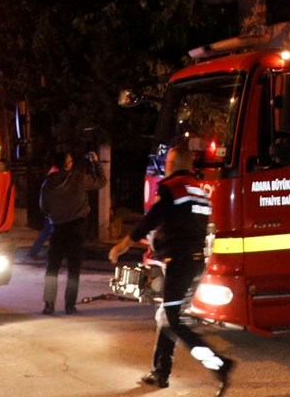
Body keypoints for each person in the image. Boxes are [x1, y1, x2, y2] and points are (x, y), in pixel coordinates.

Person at [109, 142, 234, 395]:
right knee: (168, 316)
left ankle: (219, 363)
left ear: (171, 165)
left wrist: (122, 246)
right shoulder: (199, 190)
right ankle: (160, 372)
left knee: (175, 321)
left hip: (180, 262)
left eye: (166, 163)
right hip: (196, 261)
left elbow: (149, 220)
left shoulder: (173, 189)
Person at [40, 150, 107, 315]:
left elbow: (43, 208)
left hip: (57, 229)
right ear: (66, 165)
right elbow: (101, 181)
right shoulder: (78, 179)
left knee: (52, 268)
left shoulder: (47, 184)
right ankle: (70, 306)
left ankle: (49, 304)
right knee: (73, 269)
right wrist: (95, 163)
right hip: (76, 229)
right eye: (70, 161)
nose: (72, 163)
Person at [26, 161, 62, 260]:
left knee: (47, 233)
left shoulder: (48, 182)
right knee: (53, 233)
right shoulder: (55, 181)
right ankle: (50, 253)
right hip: (54, 213)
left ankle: (35, 252)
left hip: (51, 213)